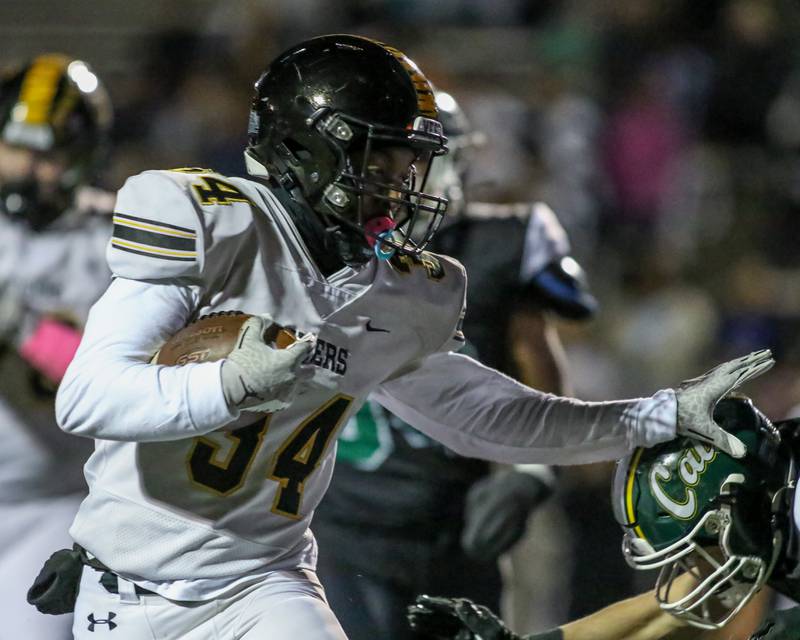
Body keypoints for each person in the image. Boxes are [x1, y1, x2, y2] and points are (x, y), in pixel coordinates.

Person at [47, 34, 770, 640]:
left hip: (260, 585)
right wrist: (230, 384)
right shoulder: (210, 222)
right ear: (305, 147)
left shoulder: (407, 287)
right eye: (379, 162)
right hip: (125, 595)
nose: (400, 188)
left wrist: (655, 416)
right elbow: (87, 398)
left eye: (408, 167)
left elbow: (487, 414)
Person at [312, 89, 595, 640]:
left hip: (454, 521)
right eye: (386, 162)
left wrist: (533, 470)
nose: (402, 180)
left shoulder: (495, 245)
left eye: (418, 161)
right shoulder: (309, 239)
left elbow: (534, 351)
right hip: (336, 527)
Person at [408, 395, 800, 640]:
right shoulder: (778, 492)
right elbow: (669, 612)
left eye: (702, 545)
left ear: (739, 506)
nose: (698, 569)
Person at [0, 54, 113, 639]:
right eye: (15, 148)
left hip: (49, 503)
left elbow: (105, 382)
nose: (27, 169)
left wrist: (21, 324)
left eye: (47, 154)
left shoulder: (113, 240)